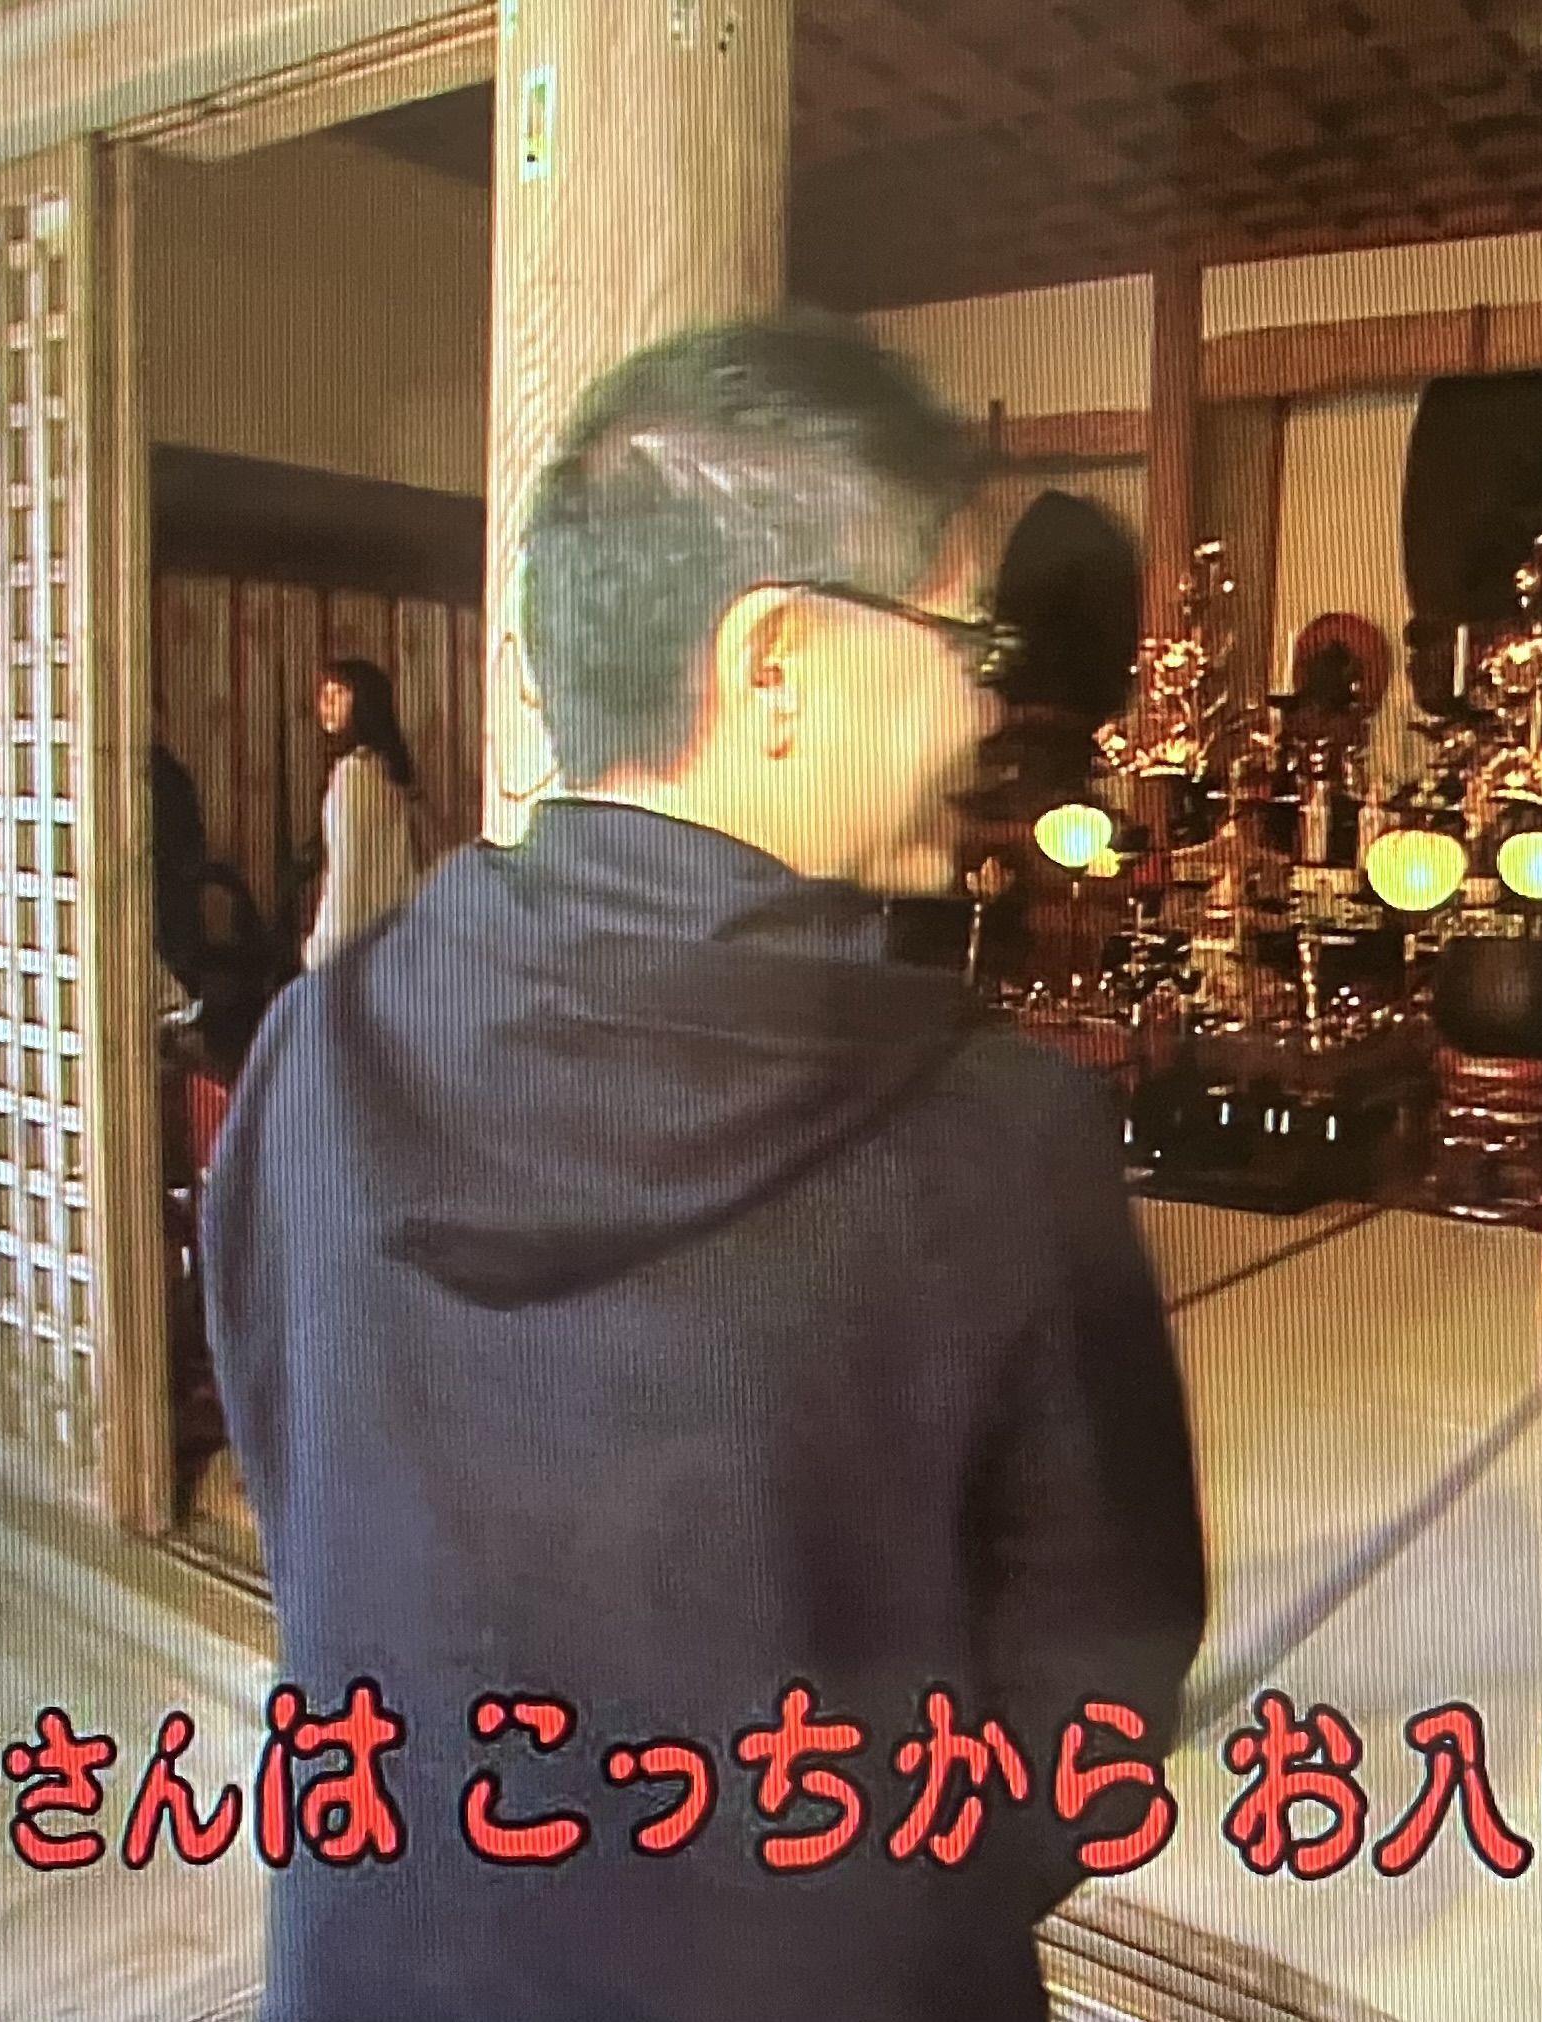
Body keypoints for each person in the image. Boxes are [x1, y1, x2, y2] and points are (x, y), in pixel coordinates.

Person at [200, 313, 1210, 2022]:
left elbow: (303, 1501)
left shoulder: (320, 1039)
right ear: (774, 666)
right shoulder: (991, 1139)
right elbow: (1091, 1705)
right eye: (966, 639)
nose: (988, 700)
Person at [298, 656, 436, 974]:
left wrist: (322, 951)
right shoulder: (385, 772)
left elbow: (346, 874)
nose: (327, 702)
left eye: (339, 692)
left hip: (356, 952)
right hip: (395, 944)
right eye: (324, 692)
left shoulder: (354, 775)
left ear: (364, 704)